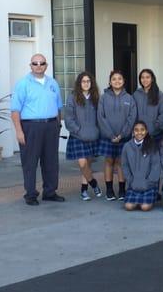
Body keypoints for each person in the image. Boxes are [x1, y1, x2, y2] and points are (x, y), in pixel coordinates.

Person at [10, 53, 65, 206]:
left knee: (51, 161)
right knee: (30, 162)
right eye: (35, 63)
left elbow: (58, 107)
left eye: (42, 63)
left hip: (50, 126)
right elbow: (15, 110)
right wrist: (19, 131)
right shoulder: (23, 84)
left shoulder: (53, 83)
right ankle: (30, 194)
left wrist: (57, 125)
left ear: (46, 65)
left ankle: (50, 192)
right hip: (30, 127)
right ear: (30, 66)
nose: (38, 66)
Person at [97, 70, 137, 201]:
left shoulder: (129, 98)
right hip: (107, 137)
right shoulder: (103, 97)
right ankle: (109, 190)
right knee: (109, 161)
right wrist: (110, 135)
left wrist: (122, 134)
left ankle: (121, 190)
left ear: (123, 81)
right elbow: (100, 117)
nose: (117, 81)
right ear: (109, 82)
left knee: (121, 162)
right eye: (114, 79)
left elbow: (132, 118)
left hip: (124, 137)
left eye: (120, 79)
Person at [63, 71, 102, 201]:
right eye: (83, 81)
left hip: (93, 136)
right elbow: (69, 118)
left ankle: (84, 190)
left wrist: (98, 131)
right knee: (82, 164)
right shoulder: (72, 97)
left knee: (88, 164)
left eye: (88, 81)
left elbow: (100, 117)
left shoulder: (96, 97)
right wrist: (78, 130)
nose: (86, 83)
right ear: (79, 83)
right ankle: (94, 184)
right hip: (78, 136)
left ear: (92, 83)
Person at [121, 121, 161, 212]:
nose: (139, 132)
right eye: (136, 130)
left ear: (146, 131)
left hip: (148, 185)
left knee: (145, 207)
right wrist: (131, 181)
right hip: (134, 185)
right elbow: (125, 165)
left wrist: (149, 182)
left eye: (142, 130)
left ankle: (152, 197)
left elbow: (156, 166)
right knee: (128, 206)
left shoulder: (152, 145)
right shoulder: (127, 147)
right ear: (133, 132)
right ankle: (138, 200)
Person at [133, 69, 163, 144]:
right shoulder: (136, 94)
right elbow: (133, 114)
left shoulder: (159, 94)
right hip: (139, 134)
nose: (145, 80)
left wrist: (154, 127)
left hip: (155, 134)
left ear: (152, 79)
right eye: (142, 77)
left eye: (147, 77)